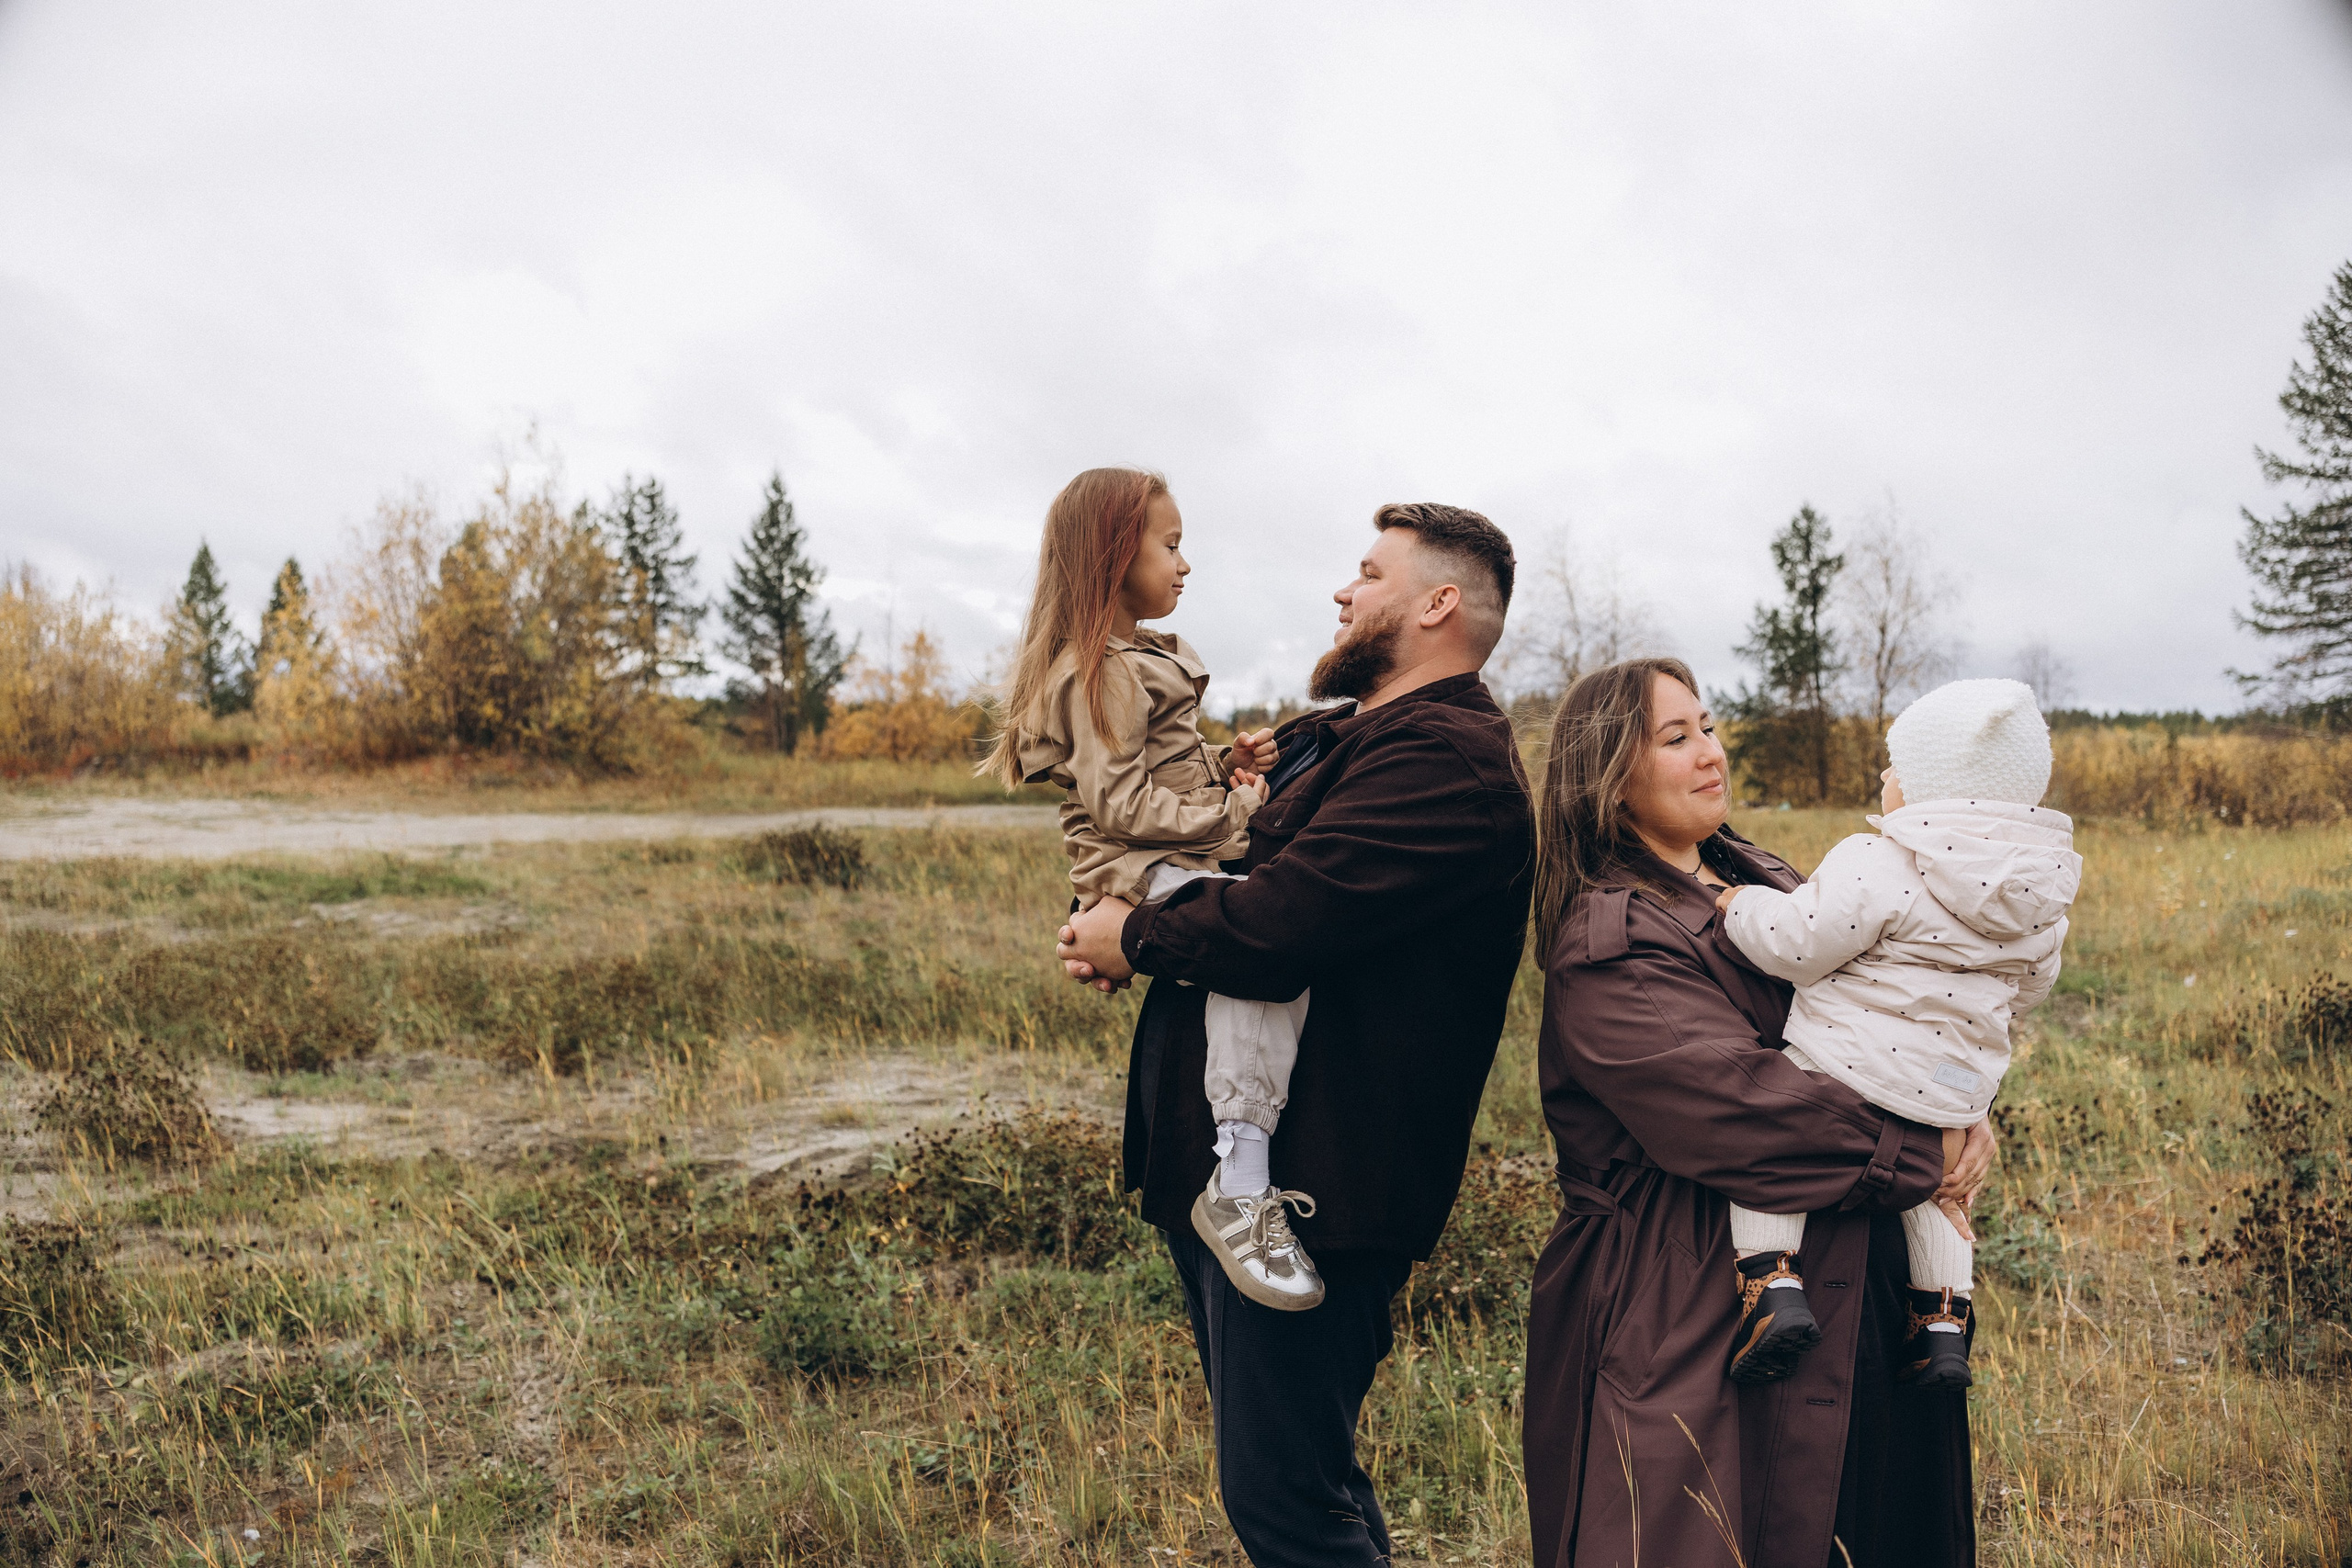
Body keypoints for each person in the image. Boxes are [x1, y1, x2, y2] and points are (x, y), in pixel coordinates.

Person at [1057, 502, 1532, 1568]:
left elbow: (1282, 922)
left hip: (1319, 1190)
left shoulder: (1445, 761)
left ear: (1436, 604)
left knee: (1285, 1501)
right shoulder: (1348, 739)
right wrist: (1126, 928)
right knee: (1303, 1480)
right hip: (1232, 1182)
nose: (1342, 592)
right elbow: (1217, 872)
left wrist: (1136, 933)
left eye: (1367, 574)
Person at [1519, 659, 1994, 1568]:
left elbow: (1901, 995)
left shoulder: (1765, 877)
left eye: (1708, 726)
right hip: (1685, 1300)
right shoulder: (1608, 940)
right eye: (1676, 737)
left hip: (1860, 1277)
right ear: (1608, 777)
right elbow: (1739, 1108)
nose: (1711, 752)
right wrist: (1921, 1151)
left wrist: (1965, 1106)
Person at [978, 467, 1324, 1310]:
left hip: (1159, 854)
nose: (1185, 564)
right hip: (1138, 866)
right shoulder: (1096, 669)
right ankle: (1240, 1177)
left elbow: (1152, 768)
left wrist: (1223, 765)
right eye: (1169, 545)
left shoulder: (1140, 658)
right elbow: (1120, 803)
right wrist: (1233, 823)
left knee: (1258, 948)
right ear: (1110, 555)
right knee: (1251, 954)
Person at [1713, 677, 2078, 1388]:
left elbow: (1799, 941)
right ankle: (1943, 1320)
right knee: (1943, 1186)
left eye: (1895, 768)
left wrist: (1739, 902)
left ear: (1927, 792)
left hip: (1845, 1066)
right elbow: (2031, 990)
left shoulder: (1881, 860)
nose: (1884, 779)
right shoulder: (2041, 897)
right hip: (1955, 1093)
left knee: (1776, 1142)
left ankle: (1770, 1283)